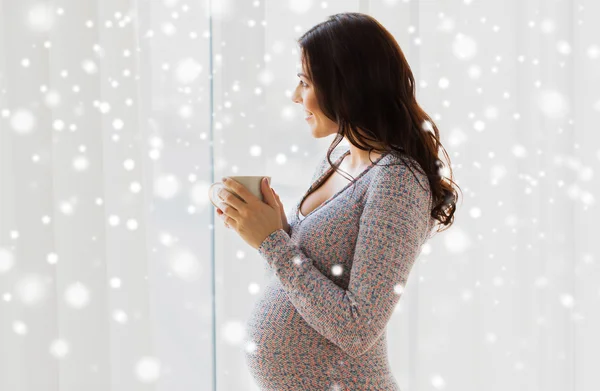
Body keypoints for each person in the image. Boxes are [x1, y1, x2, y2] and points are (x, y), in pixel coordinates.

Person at [242, 12, 462, 390]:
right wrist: (277, 227)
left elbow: (358, 328)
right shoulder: (339, 158)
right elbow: (307, 277)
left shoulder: (397, 179)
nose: (296, 96)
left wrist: (273, 243)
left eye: (305, 82)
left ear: (346, 84)